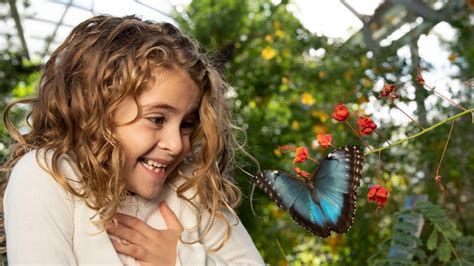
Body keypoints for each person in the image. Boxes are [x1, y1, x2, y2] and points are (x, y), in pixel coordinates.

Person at [1, 15, 264, 265]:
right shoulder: (47, 176)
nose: (176, 145)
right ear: (96, 109)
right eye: (157, 119)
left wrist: (180, 260)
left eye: (187, 124)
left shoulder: (189, 186)